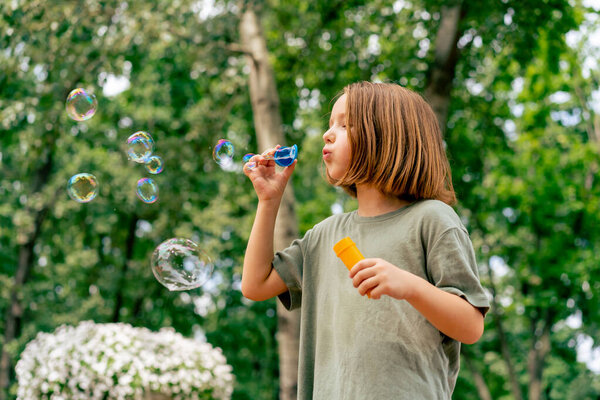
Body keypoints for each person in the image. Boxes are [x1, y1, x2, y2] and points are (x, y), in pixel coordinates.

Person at [241, 81, 490, 399]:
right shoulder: (325, 235)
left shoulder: (432, 219)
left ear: (389, 137)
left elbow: (471, 327)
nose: (327, 134)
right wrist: (268, 201)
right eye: (330, 124)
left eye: (345, 125)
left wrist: (410, 286)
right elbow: (255, 285)